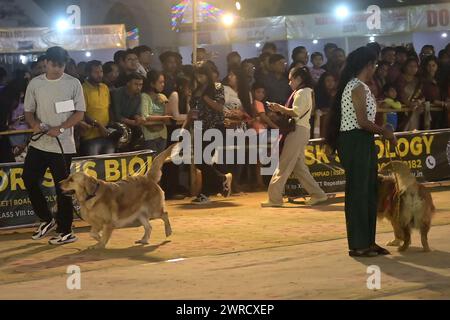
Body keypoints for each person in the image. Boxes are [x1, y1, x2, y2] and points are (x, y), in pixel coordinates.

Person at [325, 46, 396, 257]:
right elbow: (363, 122)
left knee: (368, 190)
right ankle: (358, 244)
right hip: (355, 139)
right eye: (374, 64)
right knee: (358, 192)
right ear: (368, 65)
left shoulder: (359, 86)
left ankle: (368, 241)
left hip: (362, 140)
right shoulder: (356, 87)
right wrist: (385, 132)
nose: (376, 68)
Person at [23, 46, 85, 245]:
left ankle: (66, 230)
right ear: (46, 63)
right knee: (28, 179)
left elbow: (79, 113)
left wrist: (60, 128)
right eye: (54, 64)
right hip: (40, 142)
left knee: (64, 188)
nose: (57, 69)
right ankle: (46, 219)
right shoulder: (35, 84)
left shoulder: (73, 83)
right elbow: (29, 111)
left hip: (63, 145)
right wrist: (34, 125)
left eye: (61, 65)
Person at [261, 67, 327, 208]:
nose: (289, 82)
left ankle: (275, 199)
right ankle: (318, 194)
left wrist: (279, 108)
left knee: (284, 165)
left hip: (297, 131)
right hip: (301, 131)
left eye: (291, 79)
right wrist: (280, 109)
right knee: (299, 167)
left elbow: (296, 112)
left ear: (299, 79)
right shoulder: (306, 92)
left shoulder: (302, 92)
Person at [188, 65, 232, 205]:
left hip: (214, 127)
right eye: (197, 75)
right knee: (200, 161)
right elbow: (193, 110)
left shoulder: (217, 87)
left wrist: (205, 97)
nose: (199, 78)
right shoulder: (196, 88)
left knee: (202, 161)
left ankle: (218, 182)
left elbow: (220, 107)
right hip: (199, 127)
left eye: (202, 75)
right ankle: (210, 190)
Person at [223, 66, 253, 193]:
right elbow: (221, 107)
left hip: (241, 127)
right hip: (227, 126)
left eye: (232, 75)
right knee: (227, 156)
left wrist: (240, 114)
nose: (229, 77)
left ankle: (236, 183)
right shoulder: (225, 90)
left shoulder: (246, 93)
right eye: (229, 74)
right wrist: (232, 114)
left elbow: (248, 112)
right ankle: (226, 184)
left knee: (239, 157)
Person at [80, 60, 115, 156]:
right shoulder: (82, 89)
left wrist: (110, 126)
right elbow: (83, 113)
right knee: (94, 167)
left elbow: (108, 107)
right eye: (96, 72)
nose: (99, 75)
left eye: (101, 71)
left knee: (108, 165)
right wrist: (99, 126)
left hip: (106, 135)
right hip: (90, 137)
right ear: (88, 73)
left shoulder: (105, 87)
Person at [140, 70, 172, 154]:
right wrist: (163, 118)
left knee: (160, 162)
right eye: (160, 82)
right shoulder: (144, 96)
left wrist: (165, 106)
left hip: (163, 135)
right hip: (150, 137)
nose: (163, 85)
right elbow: (145, 116)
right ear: (152, 84)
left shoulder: (162, 96)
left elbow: (168, 117)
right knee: (152, 163)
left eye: (163, 82)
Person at [111, 73, 145, 150]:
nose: (139, 87)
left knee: (141, 131)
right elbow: (117, 116)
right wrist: (133, 122)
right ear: (128, 83)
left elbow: (136, 113)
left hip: (129, 122)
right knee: (125, 130)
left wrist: (138, 118)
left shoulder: (139, 96)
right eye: (136, 84)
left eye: (140, 85)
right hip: (114, 123)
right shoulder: (117, 93)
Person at [396, 58, 424, 131]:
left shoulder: (417, 80)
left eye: (415, 66)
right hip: (403, 110)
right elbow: (400, 93)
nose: (413, 68)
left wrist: (418, 102)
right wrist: (409, 103)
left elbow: (422, 95)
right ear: (405, 67)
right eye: (410, 66)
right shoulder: (400, 78)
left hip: (415, 110)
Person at [420, 55, 448, 129]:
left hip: (441, 112)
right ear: (425, 67)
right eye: (429, 65)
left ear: (437, 66)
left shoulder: (441, 80)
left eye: (433, 65)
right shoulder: (422, 80)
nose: (431, 68)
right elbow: (423, 95)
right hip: (427, 111)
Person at [314, 72, 337, 137]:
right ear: (323, 82)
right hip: (321, 117)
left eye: (332, 80)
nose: (331, 83)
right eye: (328, 81)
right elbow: (319, 107)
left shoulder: (336, 93)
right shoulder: (318, 93)